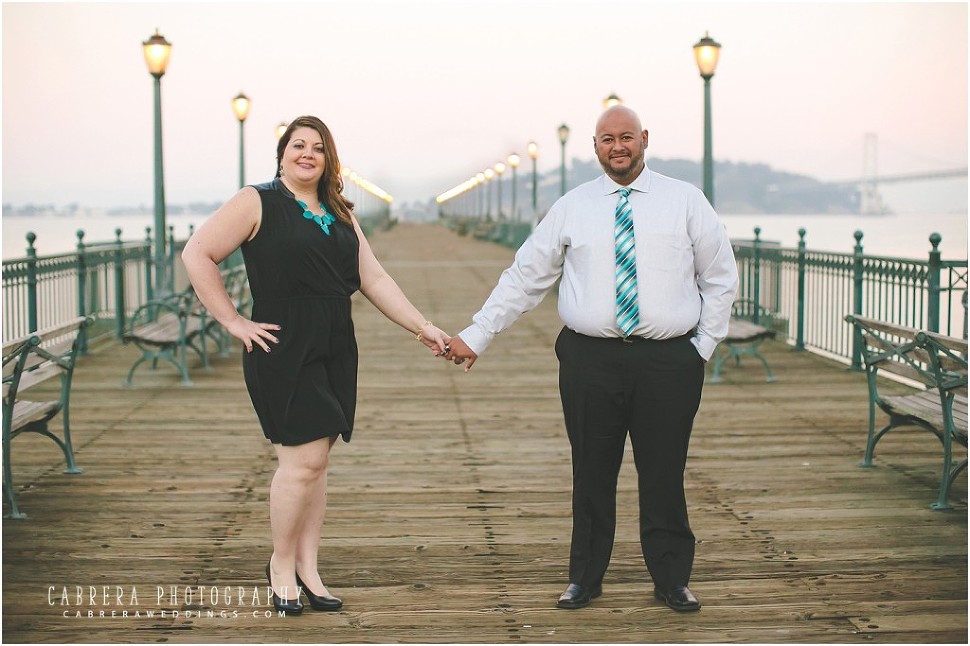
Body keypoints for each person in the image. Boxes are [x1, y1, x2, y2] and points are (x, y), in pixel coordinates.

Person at [444, 105, 738, 612]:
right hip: (590, 360)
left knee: (664, 473)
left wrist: (702, 348)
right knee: (592, 472)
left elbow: (720, 277)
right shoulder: (572, 206)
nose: (617, 147)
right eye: (607, 139)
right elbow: (526, 276)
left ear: (644, 139)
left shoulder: (685, 201)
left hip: (668, 362)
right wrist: (478, 334)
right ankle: (585, 577)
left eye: (626, 137)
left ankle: (672, 579)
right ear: (595, 146)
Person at [181, 115, 448, 615]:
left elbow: (374, 278)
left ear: (330, 160)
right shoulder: (257, 201)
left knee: (316, 464)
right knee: (300, 462)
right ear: (282, 154)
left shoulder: (339, 211)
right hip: (282, 346)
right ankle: (280, 564)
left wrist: (422, 327)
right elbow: (197, 253)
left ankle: (308, 567)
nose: (308, 154)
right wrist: (233, 320)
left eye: (318, 148)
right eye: (298, 145)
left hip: (334, 346)